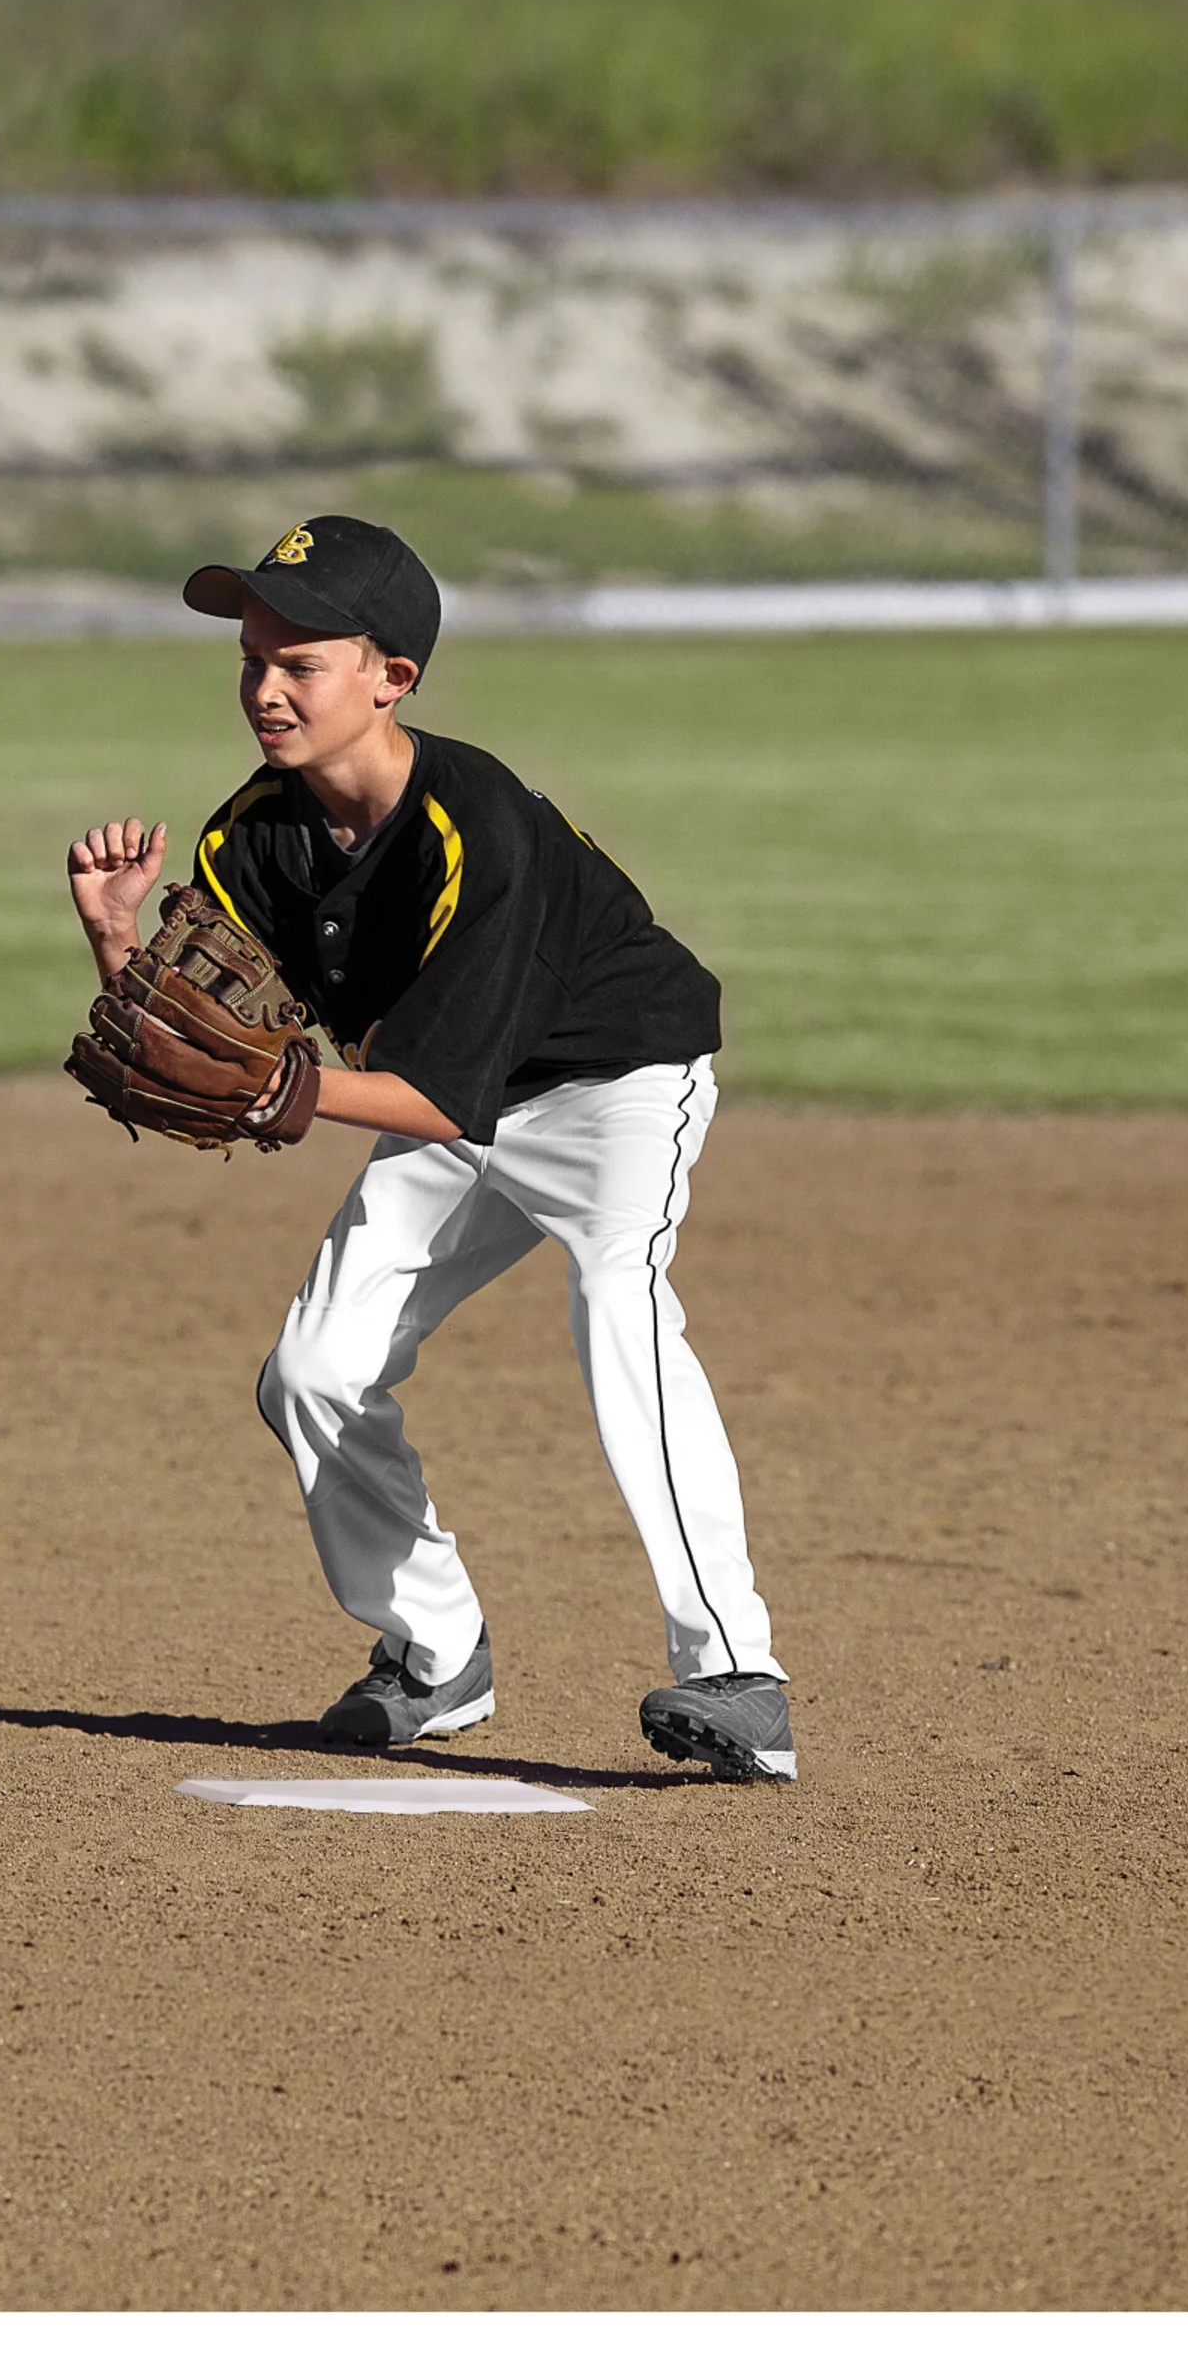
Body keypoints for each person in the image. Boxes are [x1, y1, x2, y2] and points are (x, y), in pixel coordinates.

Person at [65, 515, 794, 1781]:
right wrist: (120, 942)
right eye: (252, 658)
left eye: (301, 660)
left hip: (615, 1083)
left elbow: (423, 1096)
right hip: (444, 1101)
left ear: (392, 676)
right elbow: (196, 1039)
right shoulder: (256, 835)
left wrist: (291, 1090)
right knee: (311, 1372)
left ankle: (736, 1671)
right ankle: (435, 1651)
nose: (266, 687)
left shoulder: (478, 830)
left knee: (619, 1304)